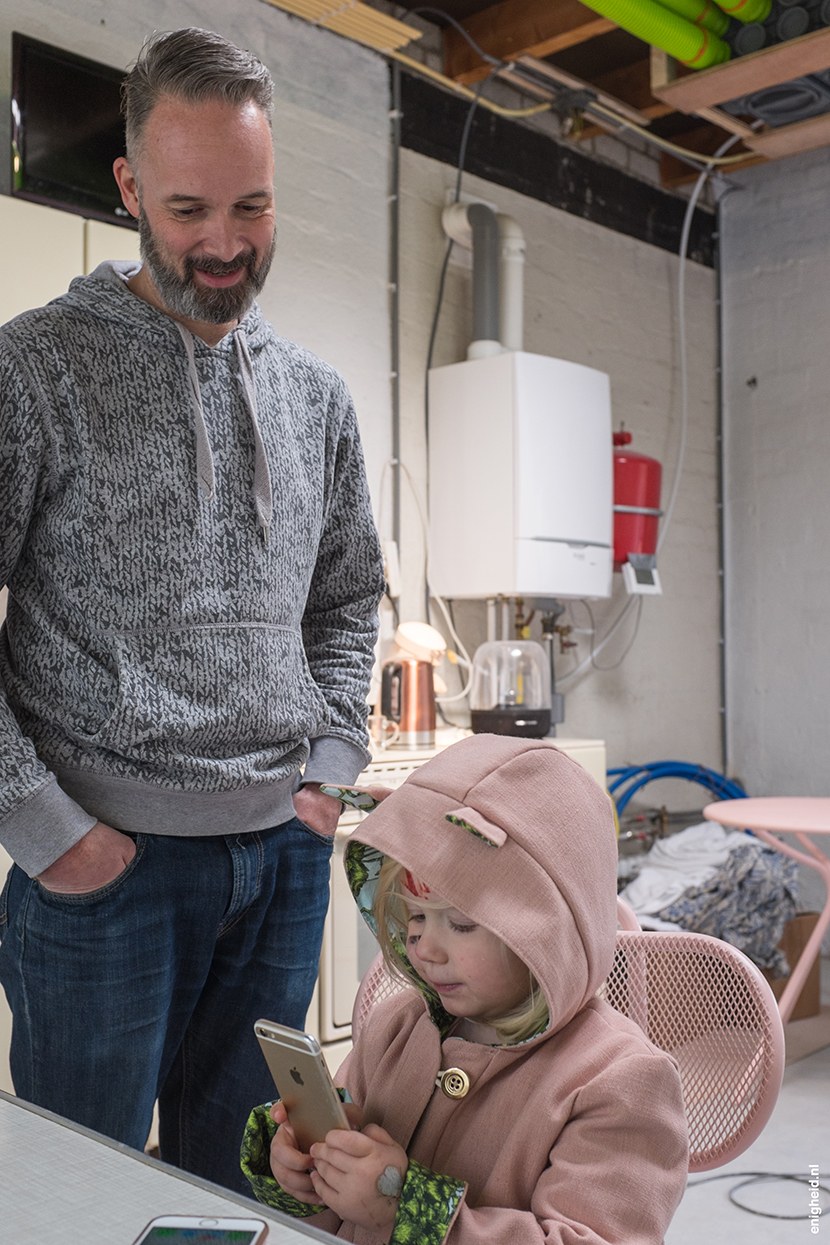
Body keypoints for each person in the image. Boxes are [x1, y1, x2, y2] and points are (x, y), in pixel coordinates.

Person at [0, 27, 383, 1195]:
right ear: (128, 189)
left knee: (246, 1187)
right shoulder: (35, 373)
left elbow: (349, 593)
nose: (223, 245)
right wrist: (45, 826)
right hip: (104, 879)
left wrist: (327, 762)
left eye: (251, 208)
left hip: (280, 865)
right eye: (187, 210)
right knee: (86, 1197)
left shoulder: (316, 396)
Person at [241, 734, 690, 1243]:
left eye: (460, 924)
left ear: (545, 933)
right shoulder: (397, 1025)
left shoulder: (621, 1082)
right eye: (414, 918)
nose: (426, 949)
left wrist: (404, 1209)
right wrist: (310, 1175)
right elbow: (331, 1223)